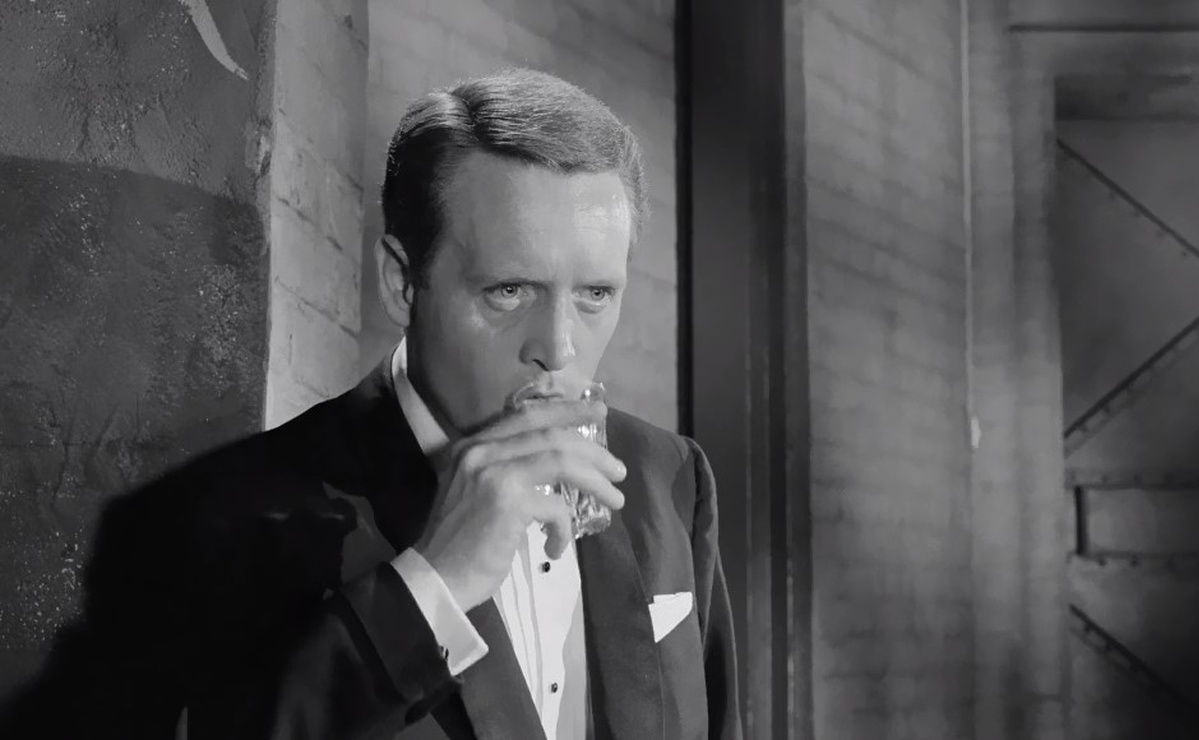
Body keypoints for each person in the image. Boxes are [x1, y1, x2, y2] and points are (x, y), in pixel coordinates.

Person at [0, 68, 741, 740]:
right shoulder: (226, 516)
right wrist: (431, 588)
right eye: (509, 290)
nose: (559, 346)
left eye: (595, 294)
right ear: (400, 282)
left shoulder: (668, 477)